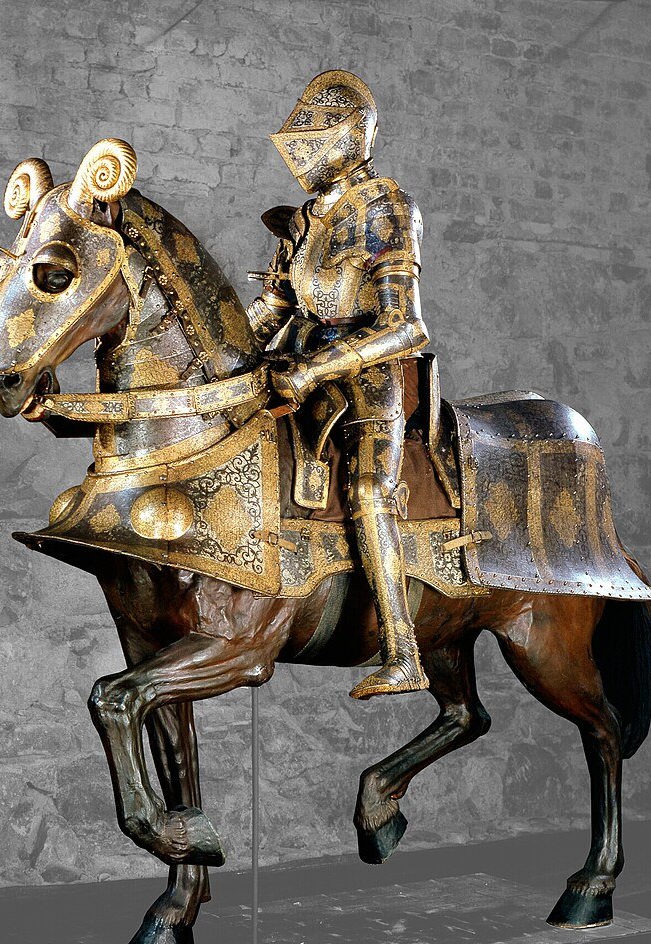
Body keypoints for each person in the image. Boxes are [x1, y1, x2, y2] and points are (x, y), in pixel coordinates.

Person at [246, 70, 430, 699]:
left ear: (349, 137)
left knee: (370, 491)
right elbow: (273, 308)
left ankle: (403, 651)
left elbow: (405, 326)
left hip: (368, 379)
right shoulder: (303, 219)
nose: (300, 153)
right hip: (295, 366)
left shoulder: (386, 207)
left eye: (313, 138)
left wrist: (317, 367)